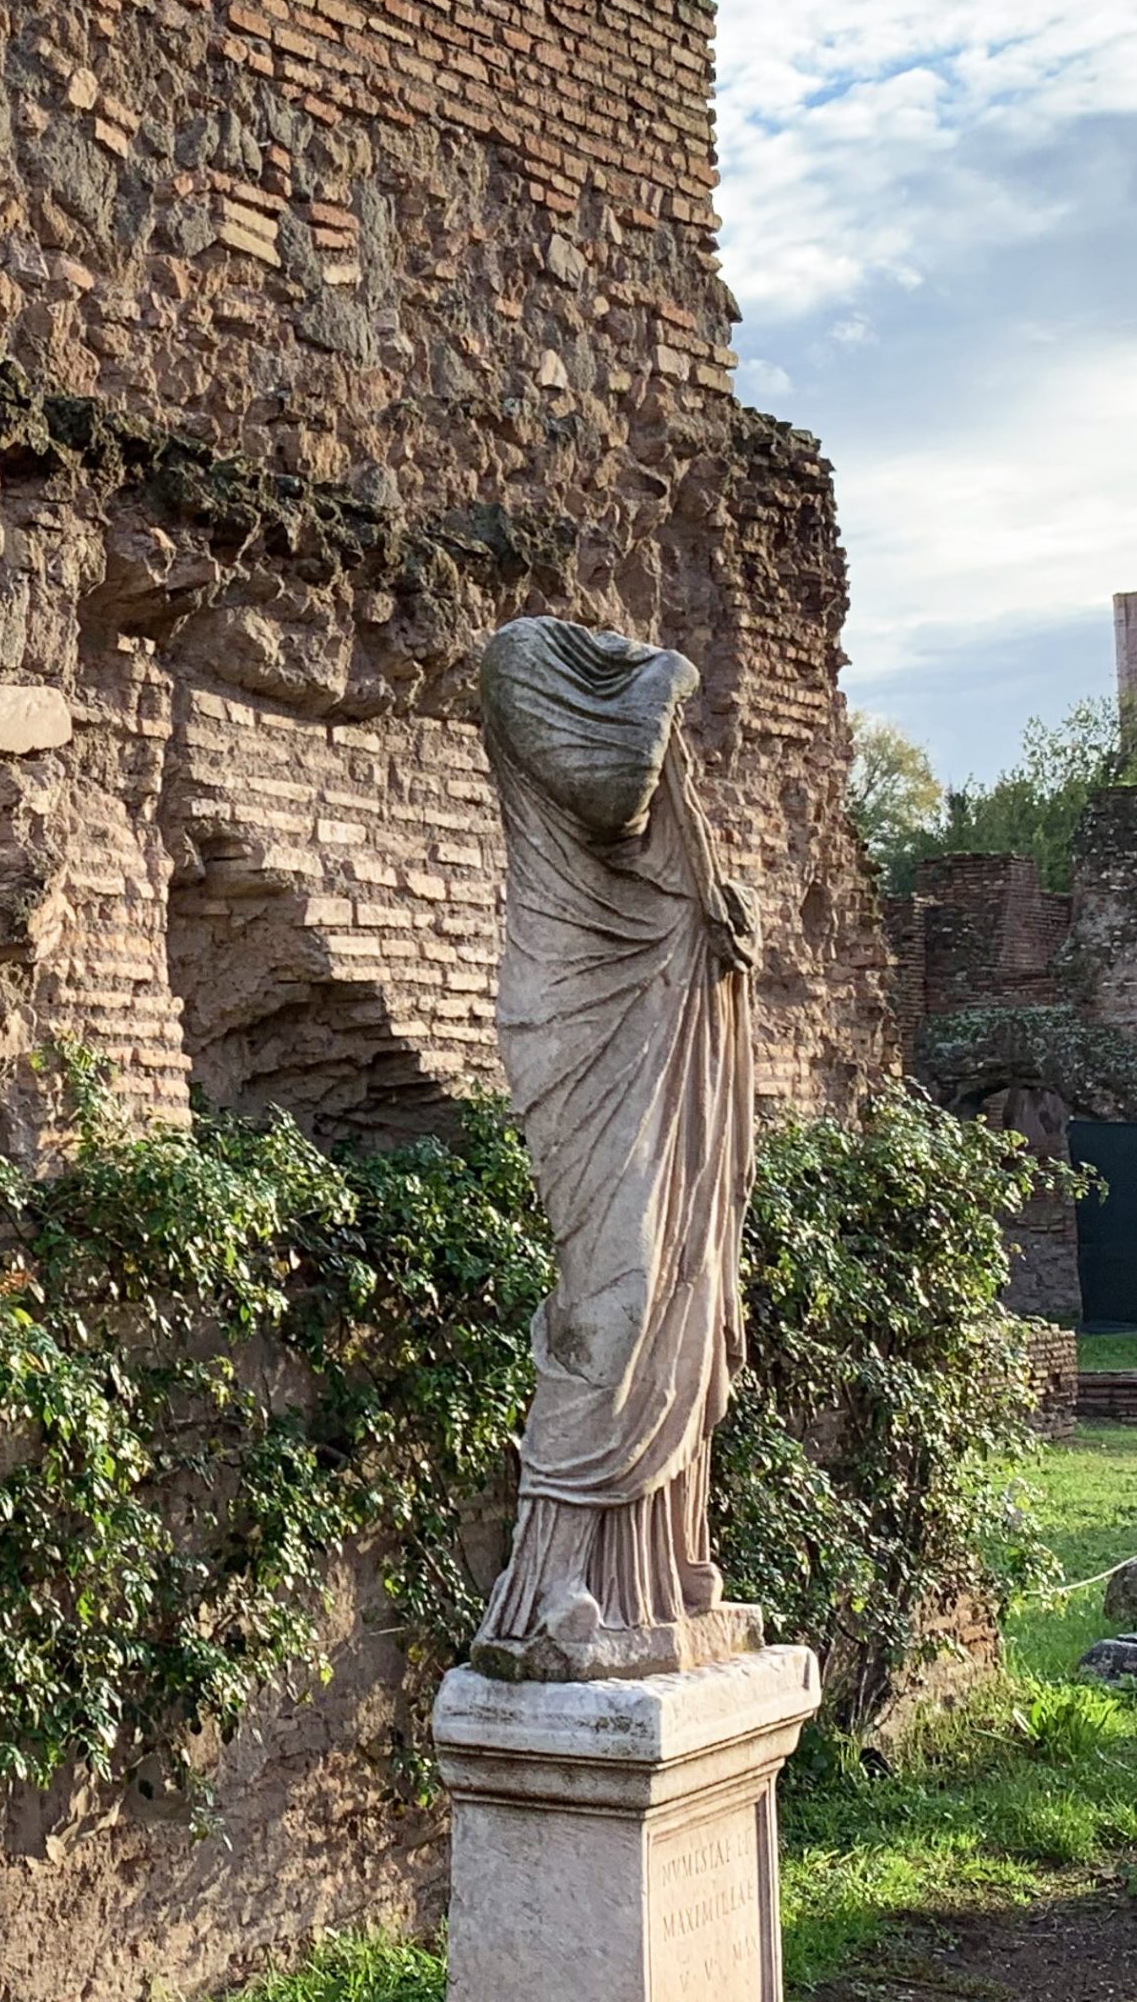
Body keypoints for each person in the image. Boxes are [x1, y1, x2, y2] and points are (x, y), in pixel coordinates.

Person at [469, 615, 762, 1683]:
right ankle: (547, 1588)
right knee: (616, 1297)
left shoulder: (601, 670)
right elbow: (614, 789)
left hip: (669, 999)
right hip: (580, 1008)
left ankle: (654, 1572)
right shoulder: (520, 662)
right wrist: (673, 676)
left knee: (687, 1280)